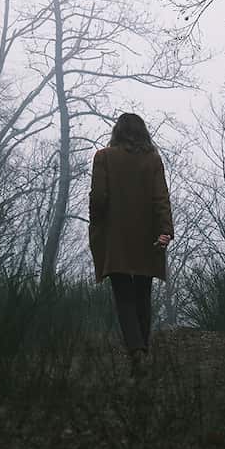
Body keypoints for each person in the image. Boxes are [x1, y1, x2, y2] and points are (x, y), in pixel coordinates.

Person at [88, 113, 174, 376]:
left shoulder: (103, 157)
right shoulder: (153, 160)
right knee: (143, 294)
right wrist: (165, 230)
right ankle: (142, 349)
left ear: (117, 132)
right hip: (146, 235)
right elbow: (161, 198)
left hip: (116, 236)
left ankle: (137, 351)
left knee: (124, 295)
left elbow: (98, 197)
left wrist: (98, 223)